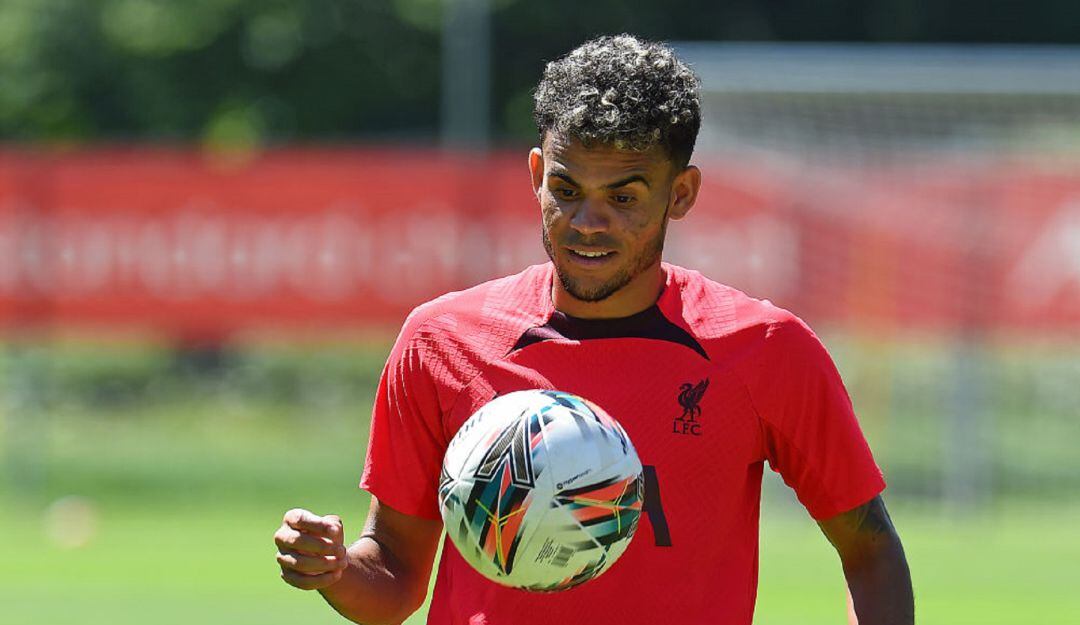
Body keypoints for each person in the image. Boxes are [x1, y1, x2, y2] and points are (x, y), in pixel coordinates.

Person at [273, 34, 914, 625]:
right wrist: (333, 569)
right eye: (566, 188)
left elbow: (870, 549)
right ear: (535, 175)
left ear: (681, 193)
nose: (587, 221)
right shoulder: (440, 340)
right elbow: (392, 572)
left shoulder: (766, 349)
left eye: (625, 197)